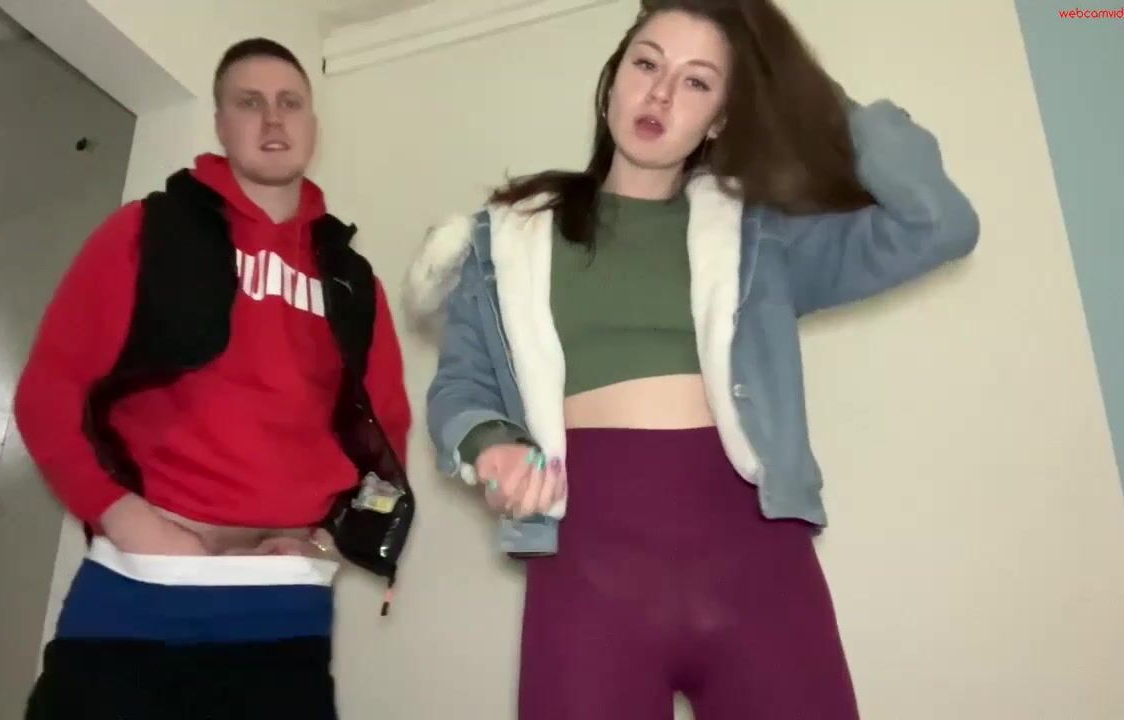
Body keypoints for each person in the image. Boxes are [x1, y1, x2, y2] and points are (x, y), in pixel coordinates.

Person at [404, 0, 979, 717]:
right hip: (589, 572)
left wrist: (800, 83)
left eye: (697, 81)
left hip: (758, 563)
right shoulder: (505, 242)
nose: (661, 93)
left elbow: (939, 224)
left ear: (720, 119)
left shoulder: (760, 237)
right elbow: (460, 387)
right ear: (612, 83)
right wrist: (493, 447)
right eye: (646, 64)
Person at [15, 37, 411, 719]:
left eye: (290, 103)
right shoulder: (146, 231)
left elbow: (387, 437)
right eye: (249, 103)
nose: (273, 118)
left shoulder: (352, 281)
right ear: (221, 124)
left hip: (283, 602)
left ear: (313, 125)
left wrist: (324, 540)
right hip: (143, 581)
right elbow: (46, 395)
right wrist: (123, 517)